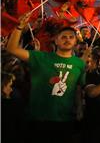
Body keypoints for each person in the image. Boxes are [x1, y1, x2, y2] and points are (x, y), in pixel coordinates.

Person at [6, 12, 86, 141]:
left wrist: (80, 109)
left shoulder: (80, 64)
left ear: (76, 41)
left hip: (64, 120)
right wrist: (19, 27)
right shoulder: (41, 57)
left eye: (71, 37)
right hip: (37, 118)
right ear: (56, 40)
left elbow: (78, 88)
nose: (67, 39)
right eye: (63, 37)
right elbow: (12, 49)